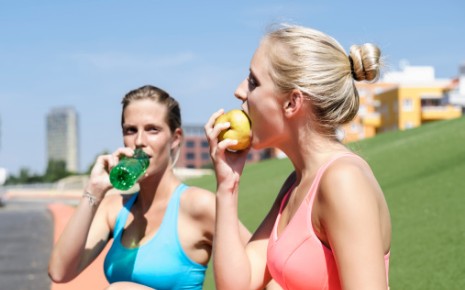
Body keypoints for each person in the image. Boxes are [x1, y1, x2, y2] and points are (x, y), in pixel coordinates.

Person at [205, 24, 391, 290]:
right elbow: (239, 285)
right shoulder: (296, 183)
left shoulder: (343, 180)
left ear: (292, 103)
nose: (239, 91)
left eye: (253, 82)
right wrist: (227, 185)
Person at [48, 85, 250, 289]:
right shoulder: (114, 209)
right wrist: (93, 191)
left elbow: (263, 271)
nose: (139, 141)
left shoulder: (199, 205)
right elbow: (59, 271)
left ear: (175, 138)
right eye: (130, 130)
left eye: (152, 129)